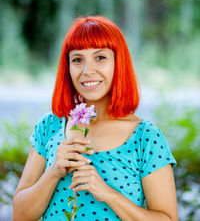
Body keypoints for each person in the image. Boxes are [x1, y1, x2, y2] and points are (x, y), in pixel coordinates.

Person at [13, 16, 178, 221]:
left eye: (100, 58)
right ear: (68, 68)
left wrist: (108, 194)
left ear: (119, 63)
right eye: (77, 59)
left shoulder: (145, 137)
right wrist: (54, 171)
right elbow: (20, 215)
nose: (87, 71)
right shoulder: (50, 126)